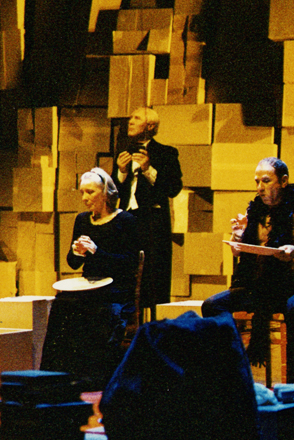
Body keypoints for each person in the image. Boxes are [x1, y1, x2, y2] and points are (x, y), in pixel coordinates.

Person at [202, 157, 294, 383]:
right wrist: (238, 240)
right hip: (259, 286)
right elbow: (242, 253)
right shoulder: (255, 212)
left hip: (292, 285)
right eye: (257, 182)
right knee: (212, 305)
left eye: (266, 181)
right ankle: (234, 364)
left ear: (283, 181)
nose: (260, 187)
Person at [40, 168, 140, 390]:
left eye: (90, 192)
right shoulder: (82, 220)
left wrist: (97, 252)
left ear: (105, 193)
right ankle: (57, 373)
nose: (85, 198)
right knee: (61, 303)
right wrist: (77, 252)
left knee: (97, 309)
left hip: (116, 287)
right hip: (90, 284)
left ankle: (91, 376)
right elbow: (73, 263)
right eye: (82, 192)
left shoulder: (126, 220)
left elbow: (129, 263)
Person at [113, 107, 182, 310]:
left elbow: (174, 188)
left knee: (153, 278)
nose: (130, 121)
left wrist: (148, 170)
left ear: (150, 126)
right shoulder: (123, 152)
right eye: (130, 118)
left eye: (136, 118)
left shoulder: (166, 153)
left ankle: (153, 322)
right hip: (127, 220)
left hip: (152, 224)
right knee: (126, 275)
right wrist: (121, 172)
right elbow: (113, 191)